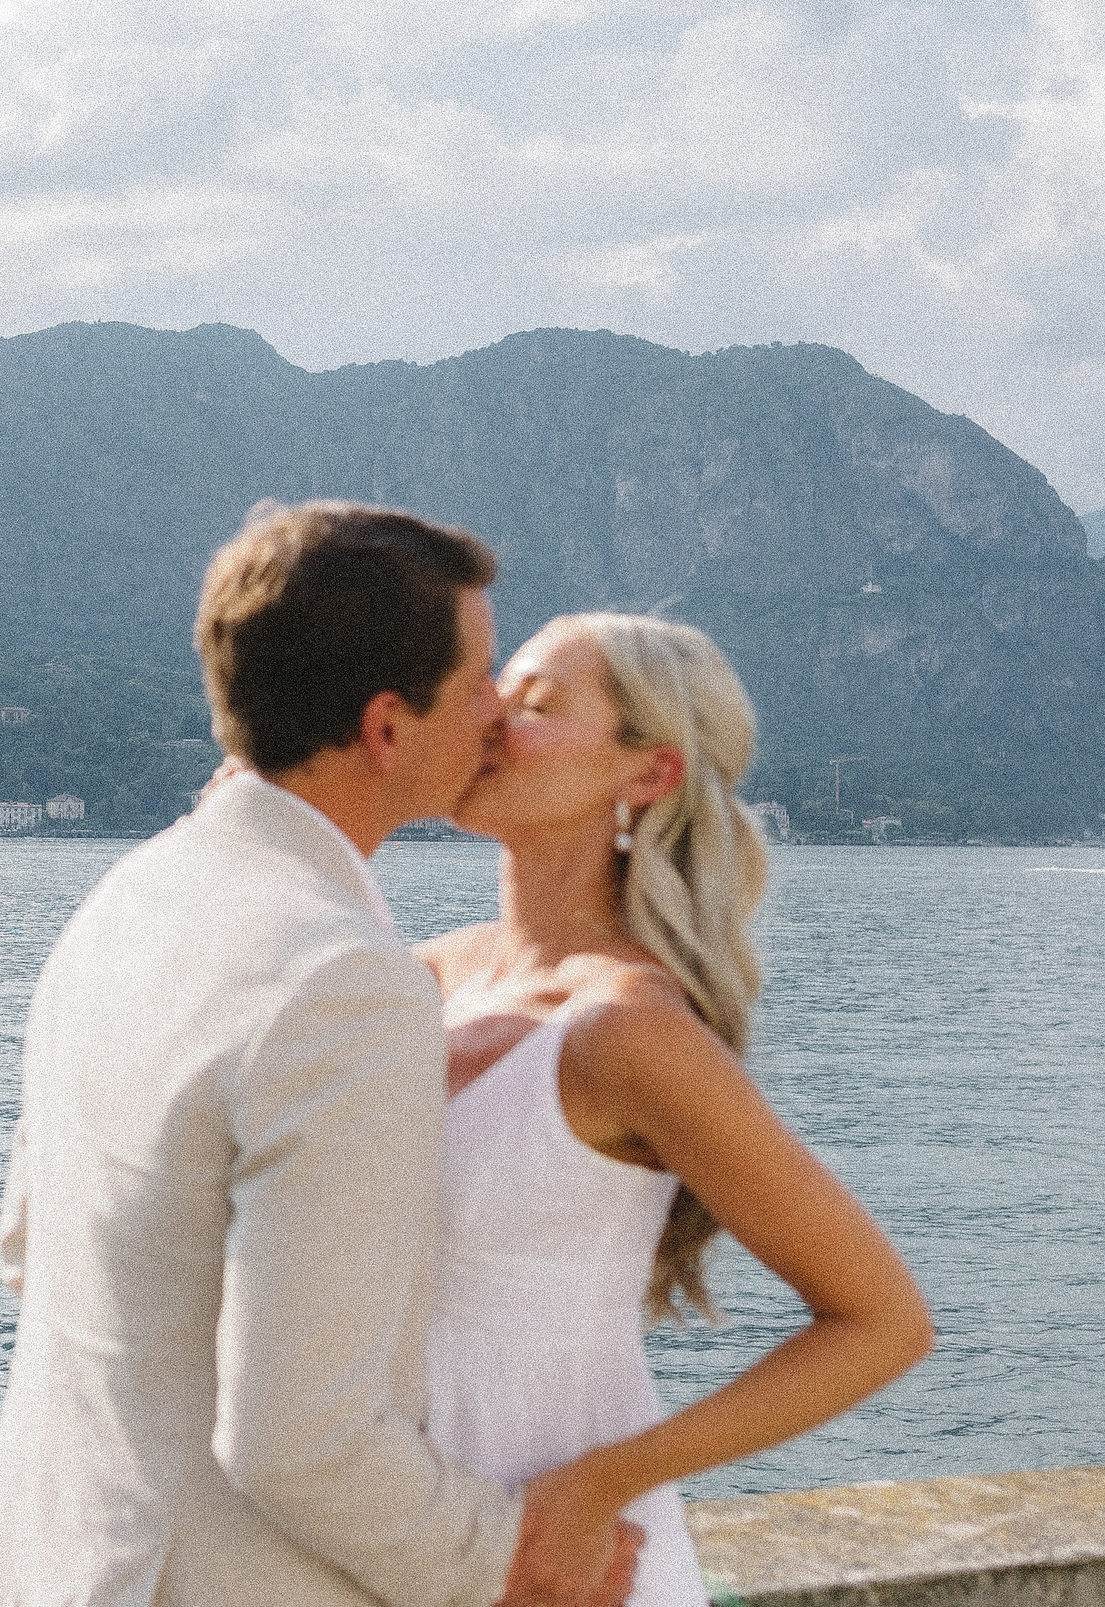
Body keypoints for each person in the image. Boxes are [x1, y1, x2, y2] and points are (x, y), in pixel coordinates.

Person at [0, 501, 638, 1607]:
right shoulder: (345, 983)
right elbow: (300, 1441)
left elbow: (30, 1250)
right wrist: (504, 1557)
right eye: (476, 681)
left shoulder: (124, 900)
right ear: (386, 728)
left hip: (49, 1561)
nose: (495, 713)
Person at [416, 612, 932, 1606]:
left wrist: (602, 1482)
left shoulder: (628, 1034)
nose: (484, 722)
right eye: (490, 692)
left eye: (531, 706)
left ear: (645, 774)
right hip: (391, 1538)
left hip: (566, 1557)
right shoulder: (415, 979)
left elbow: (883, 1321)